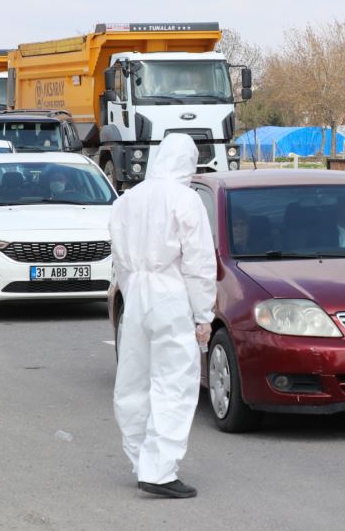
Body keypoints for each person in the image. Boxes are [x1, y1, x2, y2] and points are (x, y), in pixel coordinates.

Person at [110, 133, 216, 499]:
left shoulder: (128, 199)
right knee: (173, 383)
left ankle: (140, 460)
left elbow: (118, 258)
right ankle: (159, 470)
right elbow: (198, 261)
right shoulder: (185, 199)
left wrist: (131, 288)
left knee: (133, 381)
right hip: (170, 293)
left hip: (135, 293)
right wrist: (203, 314)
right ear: (187, 161)